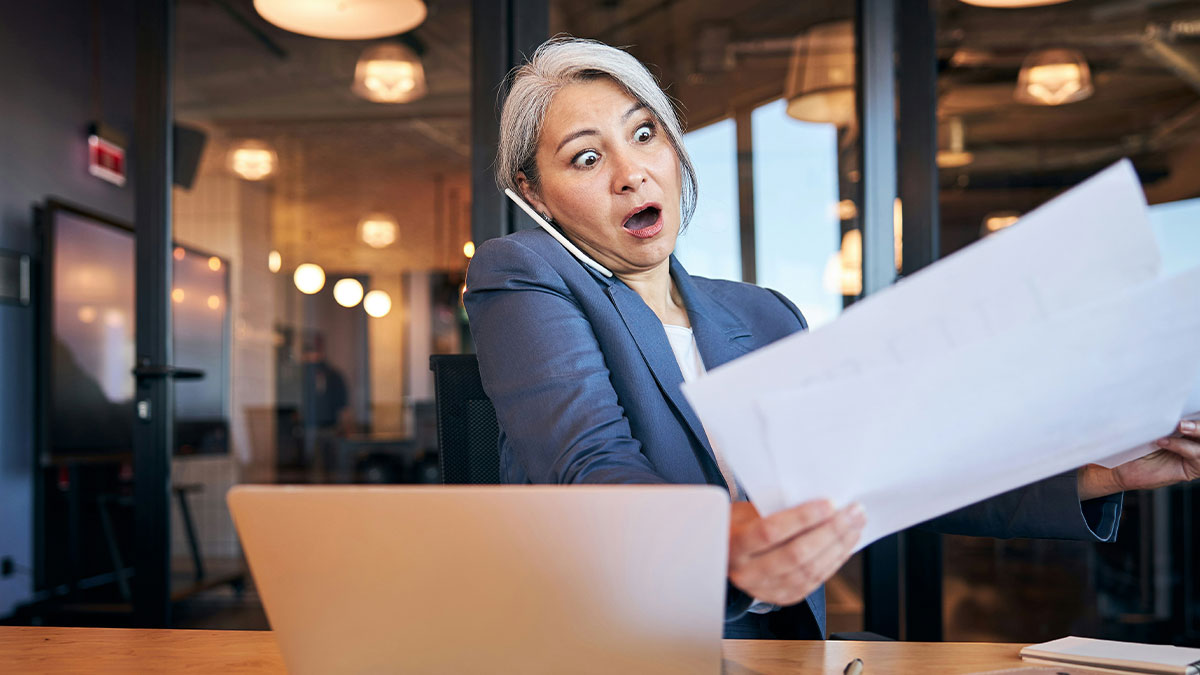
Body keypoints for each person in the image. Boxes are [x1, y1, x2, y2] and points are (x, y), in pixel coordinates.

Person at [462, 37, 1200, 639]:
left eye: (644, 133)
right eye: (587, 157)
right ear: (535, 195)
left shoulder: (766, 314)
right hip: (618, 647)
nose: (631, 173)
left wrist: (1100, 468)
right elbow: (590, 464)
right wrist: (723, 542)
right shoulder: (522, 273)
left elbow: (900, 472)